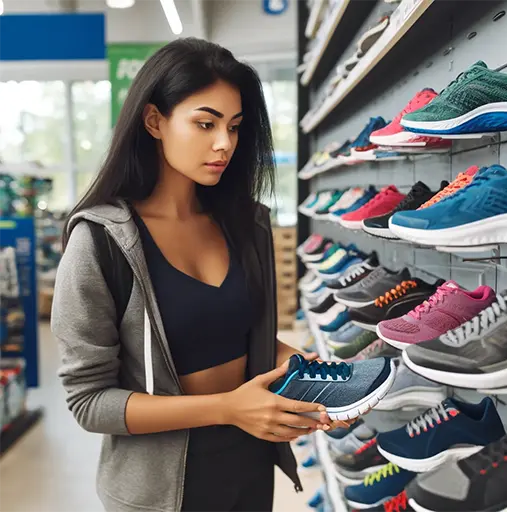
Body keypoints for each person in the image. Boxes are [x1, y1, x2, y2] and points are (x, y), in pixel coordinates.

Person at [51, 38, 353, 512]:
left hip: (250, 466)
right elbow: (89, 402)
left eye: (234, 127)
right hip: (159, 490)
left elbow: (241, 337)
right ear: (155, 121)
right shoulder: (101, 242)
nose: (224, 144)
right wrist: (227, 408)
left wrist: (310, 375)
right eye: (205, 123)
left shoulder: (246, 225)